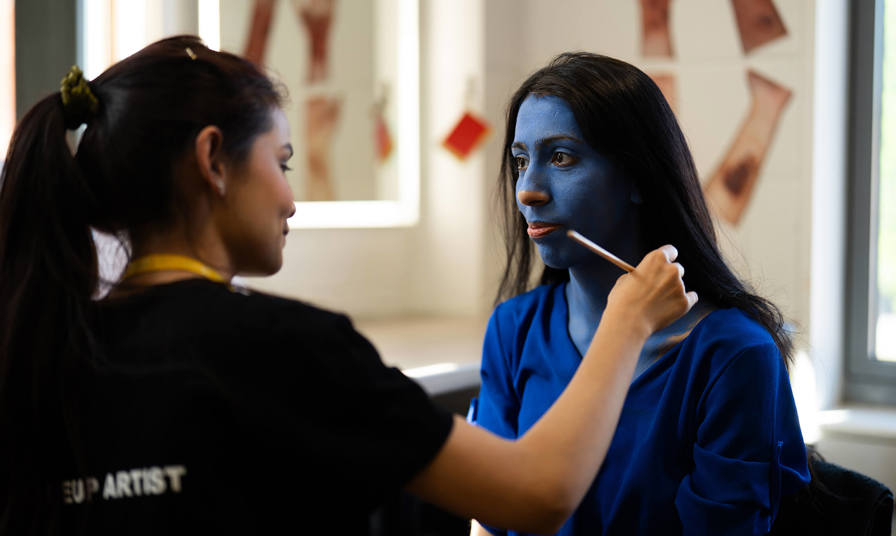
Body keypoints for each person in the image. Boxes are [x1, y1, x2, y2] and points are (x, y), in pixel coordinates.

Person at [0, 37, 696, 534]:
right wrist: (628, 320)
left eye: (562, 157)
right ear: (213, 159)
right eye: (282, 160)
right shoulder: (285, 349)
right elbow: (539, 495)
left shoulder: (34, 345)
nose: (291, 200)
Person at [468, 52, 810, 536]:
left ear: (637, 178)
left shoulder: (735, 355)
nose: (527, 190)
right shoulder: (513, 329)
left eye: (561, 157)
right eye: (521, 161)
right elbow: (490, 515)